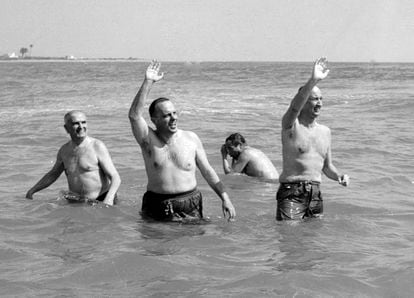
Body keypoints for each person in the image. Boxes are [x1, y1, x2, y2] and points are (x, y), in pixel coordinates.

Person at [128, 60, 236, 222]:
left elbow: (207, 171)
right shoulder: (148, 140)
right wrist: (148, 82)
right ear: (154, 119)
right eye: (166, 115)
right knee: (155, 246)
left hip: (189, 203)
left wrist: (225, 198)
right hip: (157, 204)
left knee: (191, 246)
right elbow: (134, 116)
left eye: (174, 113)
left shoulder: (191, 139)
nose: (173, 118)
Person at [276, 57, 349, 220]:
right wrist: (313, 80)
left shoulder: (325, 131)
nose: (319, 103)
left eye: (321, 99)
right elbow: (294, 107)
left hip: (315, 194)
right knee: (290, 238)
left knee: (313, 239)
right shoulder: (291, 125)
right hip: (292, 191)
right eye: (315, 99)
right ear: (304, 101)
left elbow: (327, 166)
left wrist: (339, 177)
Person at [26, 111, 121, 205]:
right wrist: (32, 190)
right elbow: (53, 174)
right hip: (78, 201)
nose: (81, 126)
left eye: (83, 122)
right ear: (66, 128)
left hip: (101, 199)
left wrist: (109, 198)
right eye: (76, 123)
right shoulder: (64, 150)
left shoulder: (97, 146)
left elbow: (115, 177)